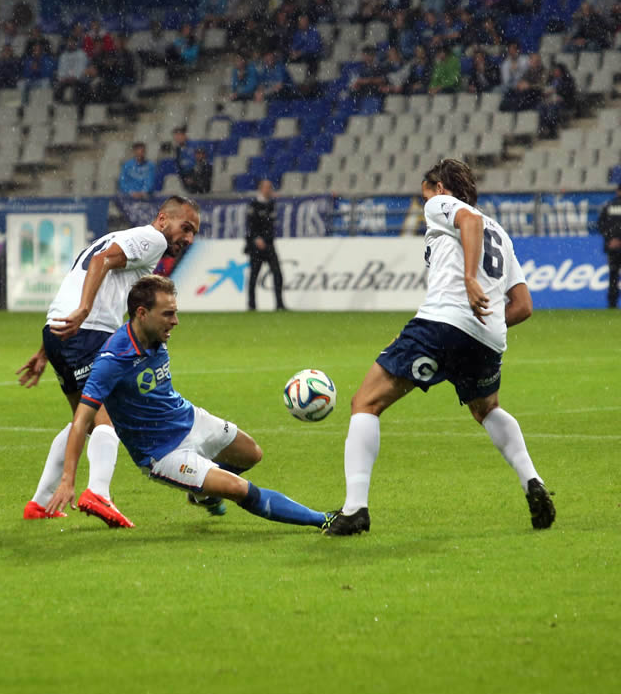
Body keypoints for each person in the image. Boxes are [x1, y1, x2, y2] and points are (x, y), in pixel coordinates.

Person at [323, 158, 556, 536]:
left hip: (442, 323)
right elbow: (524, 306)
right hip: (486, 338)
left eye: (426, 192)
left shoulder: (444, 207)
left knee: (365, 402)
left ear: (441, 189)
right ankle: (532, 480)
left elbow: (470, 221)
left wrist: (467, 280)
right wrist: (485, 320)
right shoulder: (503, 235)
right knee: (487, 409)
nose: (423, 202)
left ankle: (355, 510)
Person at [44, 275, 330, 530]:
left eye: (176, 313)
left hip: (190, 419)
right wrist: (68, 480)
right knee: (239, 489)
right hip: (163, 453)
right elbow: (81, 419)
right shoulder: (113, 360)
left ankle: (200, 491)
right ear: (142, 313)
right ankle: (324, 519)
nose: (175, 321)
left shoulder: (156, 334)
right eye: (168, 314)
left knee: (252, 454)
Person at [17, 197, 202, 525]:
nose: (188, 238)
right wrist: (86, 311)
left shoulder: (116, 237)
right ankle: (98, 493)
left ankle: (40, 503)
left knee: (84, 418)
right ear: (162, 219)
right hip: (87, 332)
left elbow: (83, 275)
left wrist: (46, 349)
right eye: (185, 228)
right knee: (108, 418)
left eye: (193, 234)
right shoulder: (153, 239)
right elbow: (102, 262)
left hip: (60, 331)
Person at [245, 179, 286, 311]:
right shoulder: (254, 205)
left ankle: (279, 304)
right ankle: (252, 305)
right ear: (260, 189)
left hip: (269, 244)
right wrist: (256, 239)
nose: (268, 190)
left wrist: (267, 239)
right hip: (256, 246)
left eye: (270, 187)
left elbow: (271, 226)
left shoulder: (272, 205)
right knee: (254, 276)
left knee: (277, 274)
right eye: (266, 187)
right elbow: (250, 226)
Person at [597, 185, 621, 309]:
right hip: (614, 247)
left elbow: (600, 224)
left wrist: (611, 239)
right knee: (613, 275)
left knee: (613, 276)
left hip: (612, 247)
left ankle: (612, 303)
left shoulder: (609, 206)